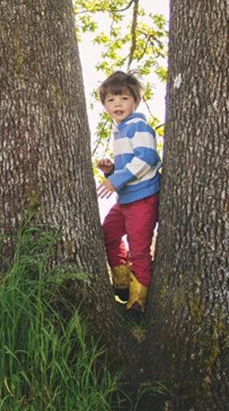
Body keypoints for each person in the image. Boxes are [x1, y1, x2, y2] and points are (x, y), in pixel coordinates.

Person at [96, 70, 160, 319]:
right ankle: (122, 283)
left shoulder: (138, 126)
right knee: (108, 234)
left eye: (123, 98)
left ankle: (137, 304)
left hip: (142, 199)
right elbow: (129, 165)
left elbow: (146, 157)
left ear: (135, 101)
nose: (117, 104)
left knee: (140, 249)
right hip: (125, 199)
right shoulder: (121, 131)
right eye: (110, 100)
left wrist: (116, 179)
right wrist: (111, 171)